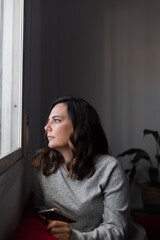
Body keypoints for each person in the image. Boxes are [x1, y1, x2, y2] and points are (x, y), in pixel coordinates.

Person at [31, 96, 147, 240]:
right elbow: (40, 207)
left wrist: (74, 236)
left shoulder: (109, 168)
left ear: (82, 127)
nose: (46, 127)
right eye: (48, 121)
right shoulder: (44, 167)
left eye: (56, 120)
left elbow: (117, 230)